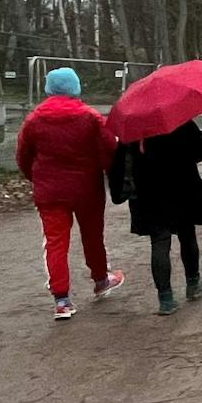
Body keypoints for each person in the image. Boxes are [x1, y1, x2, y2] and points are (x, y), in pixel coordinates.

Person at [16, 68, 124, 320]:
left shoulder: (34, 120)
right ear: (75, 87)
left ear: (49, 88)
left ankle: (62, 300)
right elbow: (108, 148)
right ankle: (100, 279)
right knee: (93, 236)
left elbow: (23, 155)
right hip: (86, 188)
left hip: (50, 191)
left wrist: (36, 177)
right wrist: (107, 171)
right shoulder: (91, 117)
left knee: (55, 242)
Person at [112, 119, 202, 316]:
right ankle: (193, 283)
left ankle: (166, 299)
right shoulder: (179, 122)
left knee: (159, 242)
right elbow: (201, 150)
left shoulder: (133, 129)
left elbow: (120, 164)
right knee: (187, 235)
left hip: (148, 195)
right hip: (182, 189)